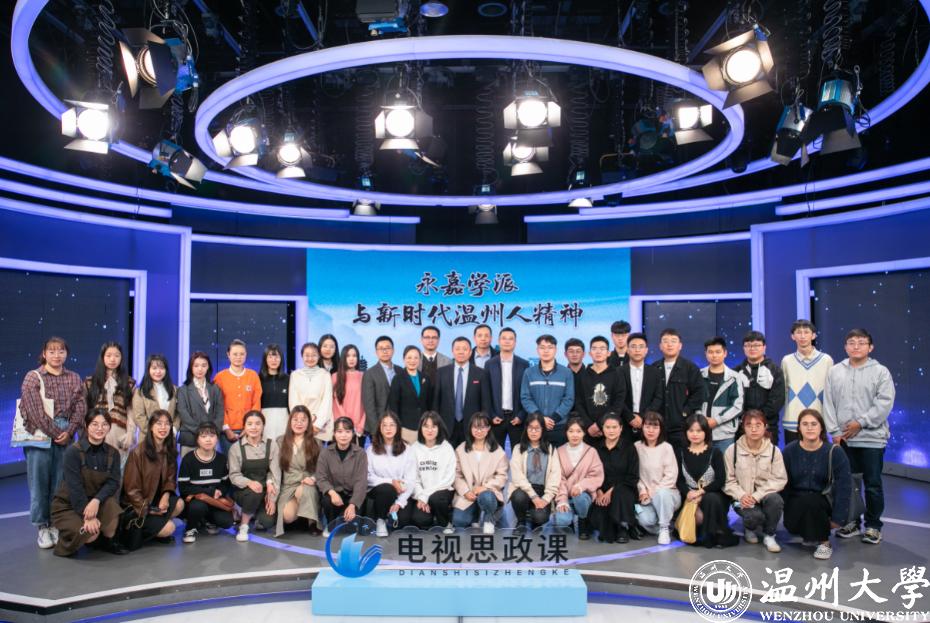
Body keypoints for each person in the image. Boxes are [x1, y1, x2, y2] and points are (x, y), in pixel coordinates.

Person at [823, 328, 895, 545]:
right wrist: (834, 432)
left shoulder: (881, 372)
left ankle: (873, 526)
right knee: (848, 484)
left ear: (870, 347)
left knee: (872, 484)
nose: (856, 346)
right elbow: (828, 402)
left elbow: (884, 403)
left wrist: (861, 423)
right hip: (844, 439)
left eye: (861, 343)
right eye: (851, 342)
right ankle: (852, 522)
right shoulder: (835, 371)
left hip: (872, 439)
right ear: (845, 347)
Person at [20, 336, 86, 549]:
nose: (57, 355)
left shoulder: (74, 377)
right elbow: (35, 412)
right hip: (40, 435)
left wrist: (70, 431)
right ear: (44, 354)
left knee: (61, 483)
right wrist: (58, 433)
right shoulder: (33, 377)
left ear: (66, 353)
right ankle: (42, 527)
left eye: (61, 351)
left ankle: (56, 523)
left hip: (66, 433)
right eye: (52, 351)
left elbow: (80, 407)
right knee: (39, 483)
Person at [50, 408, 124, 556]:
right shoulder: (73, 452)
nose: (100, 428)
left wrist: (96, 500)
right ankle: (67, 538)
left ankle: (106, 541)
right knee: (90, 534)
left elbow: (113, 482)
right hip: (70, 505)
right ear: (86, 425)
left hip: (96, 502)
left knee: (113, 509)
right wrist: (88, 517)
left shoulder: (113, 453)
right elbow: (75, 488)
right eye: (95, 424)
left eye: (104, 424)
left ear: (109, 427)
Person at [783, 409, 853, 560]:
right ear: (799, 428)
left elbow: (844, 486)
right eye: (805, 424)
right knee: (804, 501)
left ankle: (824, 543)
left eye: (814, 424)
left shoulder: (835, 452)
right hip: (796, 502)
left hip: (824, 501)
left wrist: (838, 518)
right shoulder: (789, 451)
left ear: (821, 428)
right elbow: (782, 482)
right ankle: (808, 532)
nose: (809, 428)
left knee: (812, 499)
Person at [723, 410, 788, 553]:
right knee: (754, 516)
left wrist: (757, 496)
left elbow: (779, 479)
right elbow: (728, 481)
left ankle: (769, 535)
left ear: (765, 427)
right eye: (749, 425)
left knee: (776, 500)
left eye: (758, 425)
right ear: (743, 427)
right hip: (741, 499)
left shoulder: (774, 451)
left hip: (764, 496)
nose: (753, 429)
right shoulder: (732, 450)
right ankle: (749, 527)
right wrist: (741, 495)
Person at [121, 410, 184, 550]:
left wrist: (165, 496)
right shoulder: (138, 452)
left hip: (156, 501)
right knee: (170, 528)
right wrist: (148, 509)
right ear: (150, 427)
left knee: (180, 504)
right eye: (159, 423)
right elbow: (131, 490)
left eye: (167, 424)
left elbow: (170, 479)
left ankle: (156, 528)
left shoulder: (169, 449)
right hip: (139, 505)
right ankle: (154, 530)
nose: (163, 427)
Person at [676, 414, 738, 548]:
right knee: (697, 517)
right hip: (690, 496)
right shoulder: (680, 453)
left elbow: (720, 480)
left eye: (699, 431)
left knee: (711, 499)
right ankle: (702, 534)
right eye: (691, 430)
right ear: (686, 432)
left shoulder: (715, 453)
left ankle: (715, 534)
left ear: (706, 432)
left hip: (712, 494)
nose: (695, 434)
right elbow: (679, 480)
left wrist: (701, 492)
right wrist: (688, 493)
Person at [452, 412, 509, 534]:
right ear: (470, 428)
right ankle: (475, 515)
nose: (479, 431)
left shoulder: (498, 450)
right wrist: (465, 491)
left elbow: (502, 476)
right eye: (475, 427)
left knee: (487, 498)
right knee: (459, 520)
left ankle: (489, 520)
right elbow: (456, 475)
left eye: (482, 427)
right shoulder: (461, 449)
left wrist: (485, 487)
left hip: (489, 492)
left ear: (488, 428)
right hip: (468, 493)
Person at [177, 422, 234, 544]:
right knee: (198, 507)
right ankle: (190, 528)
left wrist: (220, 491)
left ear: (217, 439)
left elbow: (225, 483)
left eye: (212, 436)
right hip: (195, 501)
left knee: (227, 522)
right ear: (197, 439)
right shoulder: (188, 459)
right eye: (203, 436)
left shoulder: (221, 459)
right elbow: (183, 488)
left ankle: (207, 520)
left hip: (214, 500)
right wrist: (209, 491)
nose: (208, 439)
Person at [228, 411, 280, 542]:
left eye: (258, 424)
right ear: (244, 426)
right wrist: (249, 483)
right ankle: (244, 525)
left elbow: (275, 473)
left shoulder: (272, 445)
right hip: (244, 492)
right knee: (254, 492)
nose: (254, 427)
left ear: (263, 426)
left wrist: (272, 498)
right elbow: (234, 475)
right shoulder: (236, 448)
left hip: (265, 491)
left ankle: (255, 514)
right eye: (249, 424)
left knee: (267, 522)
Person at [588, 413, 639, 543]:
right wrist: (599, 491)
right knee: (599, 515)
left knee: (620, 495)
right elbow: (591, 473)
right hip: (601, 489)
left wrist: (612, 491)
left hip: (624, 487)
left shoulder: (629, 448)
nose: (611, 431)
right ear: (602, 429)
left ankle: (623, 528)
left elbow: (632, 476)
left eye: (614, 427)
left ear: (621, 428)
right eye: (608, 427)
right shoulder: (596, 449)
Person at [781, 320, 834, 445]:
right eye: (799, 332)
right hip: (793, 421)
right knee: (792, 455)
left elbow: (831, 391)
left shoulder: (826, 360)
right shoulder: (787, 360)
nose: (803, 336)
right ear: (793, 336)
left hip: (819, 420)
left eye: (806, 332)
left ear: (813, 335)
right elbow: (783, 390)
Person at [653, 329, 705, 453]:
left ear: (680, 345)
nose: (669, 344)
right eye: (665, 341)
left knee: (680, 459)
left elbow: (699, 393)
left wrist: (685, 412)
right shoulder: (654, 368)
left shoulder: (690, 368)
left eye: (673, 341)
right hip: (657, 426)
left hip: (681, 427)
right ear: (660, 346)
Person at [433, 337, 491, 447]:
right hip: (446, 426)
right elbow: (436, 402)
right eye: (457, 349)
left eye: (464, 349)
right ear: (452, 351)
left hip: (473, 427)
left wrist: (482, 425)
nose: (461, 352)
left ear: (470, 352)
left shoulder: (480, 373)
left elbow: (485, 403)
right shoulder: (441, 373)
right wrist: (436, 424)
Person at [366, 412, 417, 536]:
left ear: (398, 427)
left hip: (401, 491)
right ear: (380, 428)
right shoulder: (371, 449)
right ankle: (380, 520)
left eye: (392, 425)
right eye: (384, 425)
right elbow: (368, 477)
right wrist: (391, 482)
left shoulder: (407, 449)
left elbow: (411, 479)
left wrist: (399, 503)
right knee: (387, 489)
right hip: (378, 490)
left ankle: (388, 512)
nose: (388, 428)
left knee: (402, 521)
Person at [634, 411, 681, 545]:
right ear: (642, 427)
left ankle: (664, 527)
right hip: (645, 496)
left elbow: (671, 475)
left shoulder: (666, 448)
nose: (651, 430)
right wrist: (642, 491)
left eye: (655, 427)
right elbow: (635, 474)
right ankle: (667, 527)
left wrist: (654, 491)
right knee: (645, 520)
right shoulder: (637, 447)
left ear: (661, 429)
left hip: (667, 493)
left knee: (662, 494)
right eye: (647, 426)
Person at [275, 406, 322, 537]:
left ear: (308, 423)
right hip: (288, 485)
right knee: (287, 517)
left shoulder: (316, 442)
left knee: (304, 490)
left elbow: (322, 468)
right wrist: (271, 484)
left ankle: (312, 523)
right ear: (290, 422)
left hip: (307, 483)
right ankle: (302, 517)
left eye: (303, 420)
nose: (299, 423)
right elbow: (274, 468)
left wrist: (313, 478)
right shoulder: (280, 441)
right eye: (295, 419)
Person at [508, 413, 561, 530]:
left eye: (537, 428)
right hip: (524, 489)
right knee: (518, 496)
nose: (533, 432)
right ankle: (521, 521)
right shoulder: (518, 448)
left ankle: (533, 515)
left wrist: (546, 498)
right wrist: (533, 496)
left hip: (543, 490)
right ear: (526, 429)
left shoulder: (551, 449)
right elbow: (517, 477)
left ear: (543, 429)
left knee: (540, 518)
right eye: (530, 428)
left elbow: (555, 476)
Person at [553, 417, 604, 539]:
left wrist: (581, 486)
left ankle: (583, 521)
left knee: (580, 498)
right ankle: (569, 518)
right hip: (566, 496)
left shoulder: (591, 452)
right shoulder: (559, 451)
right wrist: (562, 500)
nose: (575, 435)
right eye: (571, 431)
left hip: (584, 496)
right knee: (562, 521)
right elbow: (558, 478)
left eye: (578, 431)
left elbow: (596, 476)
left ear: (584, 433)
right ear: (566, 433)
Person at [84, 342, 136, 462]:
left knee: (117, 467)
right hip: (95, 431)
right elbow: (85, 410)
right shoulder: (90, 382)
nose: (113, 359)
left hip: (119, 432)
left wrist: (130, 434)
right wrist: (86, 433)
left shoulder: (129, 383)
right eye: (108, 355)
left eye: (117, 355)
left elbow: (131, 411)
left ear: (121, 358)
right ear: (102, 357)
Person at [316, 417, 368, 536]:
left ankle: (346, 518)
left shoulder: (360, 453)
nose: (343, 435)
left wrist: (353, 504)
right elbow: (321, 477)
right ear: (334, 433)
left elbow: (361, 481)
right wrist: (332, 492)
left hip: (353, 496)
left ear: (352, 433)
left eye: (347, 431)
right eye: (339, 431)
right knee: (327, 500)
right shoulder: (325, 453)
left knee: (351, 528)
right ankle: (330, 524)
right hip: (335, 496)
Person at [520, 335, 575, 446]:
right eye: (542, 347)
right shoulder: (529, 372)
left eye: (550, 347)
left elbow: (569, 399)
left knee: (558, 456)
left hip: (559, 426)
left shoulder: (566, 373)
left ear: (555, 350)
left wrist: (553, 419)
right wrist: (540, 418)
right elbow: (525, 398)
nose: (546, 351)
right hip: (535, 427)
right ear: (537, 350)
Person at [409, 412, 456, 532]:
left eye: (434, 426)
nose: (430, 430)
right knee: (420, 519)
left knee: (437, 500)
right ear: (420, 428)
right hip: (422, 493)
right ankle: (433, 515)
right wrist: (421, 495)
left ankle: (446, 523)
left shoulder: (447, 448)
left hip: (442, 490)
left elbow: (449, 479)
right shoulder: (414, 448)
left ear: (439, 428)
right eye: (426, 426)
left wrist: (426, 495)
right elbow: (414, 478)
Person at [213, 339, 262, 453]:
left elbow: (256, 403)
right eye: (235, 354)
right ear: (228, 355)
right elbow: (218, 405)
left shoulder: (253, 376)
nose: (238, 357)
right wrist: (226, 428)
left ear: (246, 355)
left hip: (250, 429)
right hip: (226, 430)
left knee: (249, 460)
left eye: (242, 354)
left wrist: (249, 426)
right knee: (229, 460)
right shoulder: (220, 377)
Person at [574, 336, 626, 444]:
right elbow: (578, 402)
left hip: (611, 429)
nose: (598, 352)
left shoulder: (617, 374)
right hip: (588, 430)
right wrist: (589, 425)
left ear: (608, 353)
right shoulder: (583, 375)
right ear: (590, 353)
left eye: (602, 348)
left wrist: (600, 425)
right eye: (594, 348)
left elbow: (618, 402)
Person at [736, 331, 785, 445]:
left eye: (756, 345)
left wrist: (759, 418)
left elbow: (778, 399)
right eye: (748, 345)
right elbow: (733, 399)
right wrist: (746, 418)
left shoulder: (775, 370)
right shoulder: (736, 371)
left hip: (768, 425)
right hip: (742, 426)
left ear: (764, 347)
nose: (752, 348)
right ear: (743, 348)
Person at [485, 327, 529, 450]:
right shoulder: (490, 364)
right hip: (496, 419)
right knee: (495, 454)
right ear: (499, 341)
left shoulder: (524, 364)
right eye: (504, 338)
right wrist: (491, 415)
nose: (507, 341)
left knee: (519, 453)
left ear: (515, 342)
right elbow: (486, 393)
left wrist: (521, 415)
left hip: (517, 419)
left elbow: (528, 393)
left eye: (511, 339)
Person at [700, 337, 744, 455]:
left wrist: (716, 420)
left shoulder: (734, 378)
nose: (714, 355)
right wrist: (701, 419)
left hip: (725, 434)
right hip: (701, 432)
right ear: (706, 354)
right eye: (710, 352)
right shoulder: (699, 375)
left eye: (718, 352)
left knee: (725, 465)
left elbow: (737, 406)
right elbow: (693, 401)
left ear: (725, 353)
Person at [176, 352, 224, 456]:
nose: (200, 369)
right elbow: (183, 414)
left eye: (204, 365)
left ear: (208, 367)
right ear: (191, 368)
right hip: (190, 438)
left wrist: (211, 433)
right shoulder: (183, 390)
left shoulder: (215, 388)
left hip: (211, 439)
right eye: (196, 365)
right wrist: (202, 433)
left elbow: (220, 412)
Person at [620, 333, 663, 442]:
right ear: (627, 350)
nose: (637, 350)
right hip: (623, 422)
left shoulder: (655, 373)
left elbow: (658, 398)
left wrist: (644, 416)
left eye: (641, 347)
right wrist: (630, 417)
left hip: (648, 423)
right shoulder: (618, 372)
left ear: (646, 350)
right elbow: (617, 398)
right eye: (633, 346)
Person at [289, 342, 335, 442]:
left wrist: (317, 424)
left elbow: (327, 401)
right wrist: (302, 421)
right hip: (300, 425)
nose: (310, 358)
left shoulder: (325, 375)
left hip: (320, 427)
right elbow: (293, 401)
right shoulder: (295, 375)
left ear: (319, 356)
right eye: (307, 355)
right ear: (302, 356)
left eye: (314, 355)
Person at [388, 346, 433, 444]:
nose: (412, 361)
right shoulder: (398, 379)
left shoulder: (425, 378)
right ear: (404, 359)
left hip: (424, 427)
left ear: (420, 360)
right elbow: (394, 406)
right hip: (405, 428)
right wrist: (397, 427)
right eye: (409, 357)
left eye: (416, 358)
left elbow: (430, 403)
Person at [362, 336, 404, 438]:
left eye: (388, 348)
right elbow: (369, 406)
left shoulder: (401, 371)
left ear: (393, 350)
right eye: (381, 348)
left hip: (398, 424)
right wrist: (376, 430)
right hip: (379, 424)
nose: (385, 351)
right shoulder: (369, 373)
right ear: (376, 352)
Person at [131, 354, 178, 445]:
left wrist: (173, 429)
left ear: (166, 370)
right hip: (147, 439)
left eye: (161, 368)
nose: (158, 371)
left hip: (169, 439)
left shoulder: (175, 390)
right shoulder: (140, 391)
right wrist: (156, 431)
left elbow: (178, 414)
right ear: (148, 370)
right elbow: (139, 416)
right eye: (154, 368)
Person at [333, 344, 366, 445]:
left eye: (354, 355)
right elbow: (335, 404)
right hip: (341, 427)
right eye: (348, 356)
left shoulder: (364, 376)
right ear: (343, 358)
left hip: (359, 429)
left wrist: (361, 425)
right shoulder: (335, 376)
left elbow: (367, 403)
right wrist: (345, 424)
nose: (351, 359)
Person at [259, 344, 290, 442]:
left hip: (284, 420)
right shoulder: (258, 379)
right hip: (264, 419)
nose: (274, 360)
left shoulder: (288, 379)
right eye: (270, 357)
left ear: (281, 359)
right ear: (265, 359)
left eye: (276, 357)